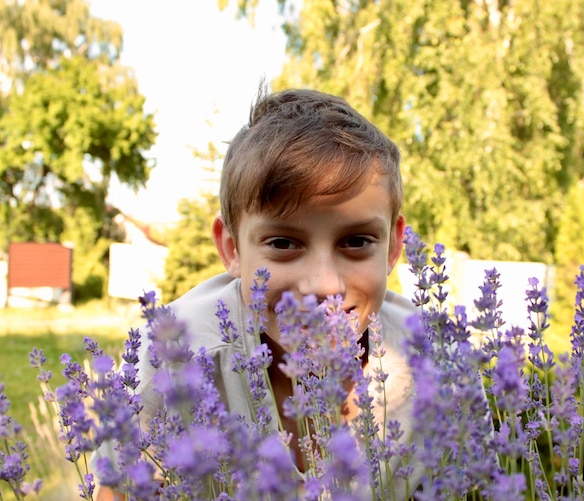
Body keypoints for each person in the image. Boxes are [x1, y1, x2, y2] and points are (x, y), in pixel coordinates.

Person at [94, 86, 418, 500]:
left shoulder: (437, 361)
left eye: (356, 241)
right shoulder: (174, 355)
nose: (324, 286)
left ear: (392, 246)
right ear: (232, 248)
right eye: (284, 244)